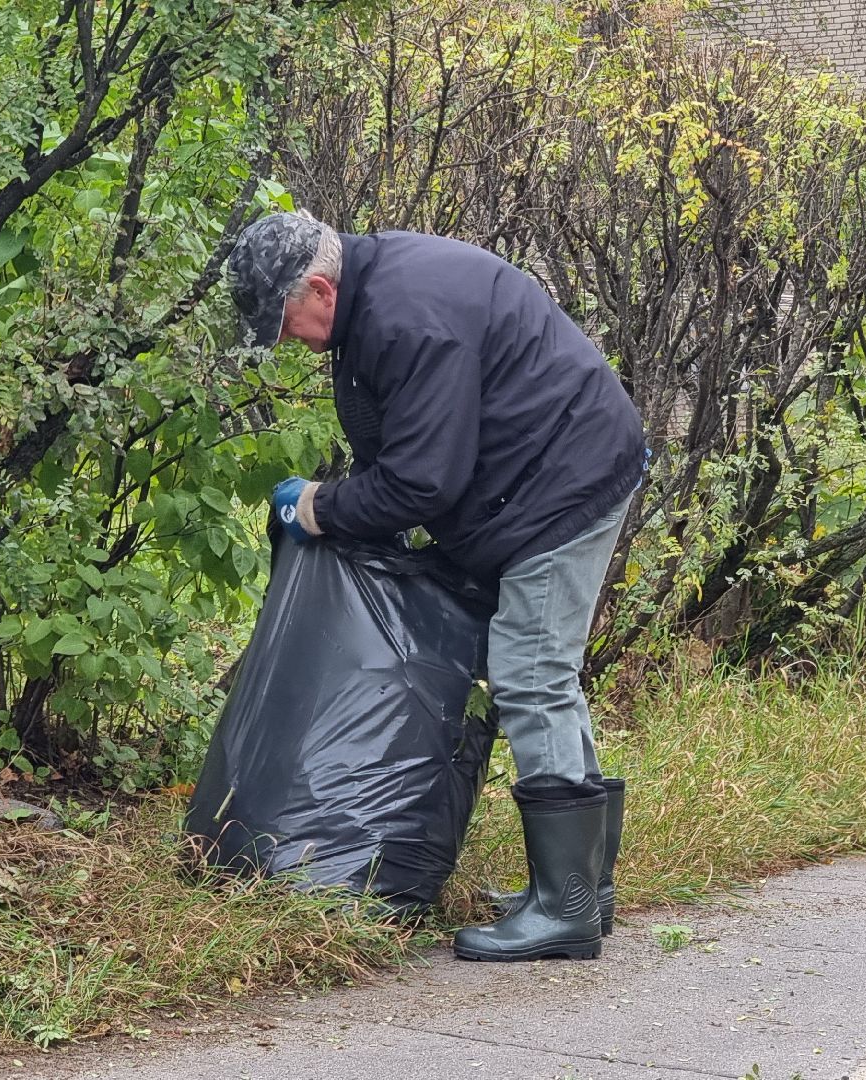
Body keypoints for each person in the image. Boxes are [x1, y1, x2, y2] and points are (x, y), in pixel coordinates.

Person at [227, 210, 646, 959]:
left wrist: (318, 508)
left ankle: (568, 909)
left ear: (319, 288)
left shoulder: (406, 316)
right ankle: (585, 887)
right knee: (544, 671)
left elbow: (422, 482)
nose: (285, 341)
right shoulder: (378, 299)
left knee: (531, 671)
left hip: (566, 482)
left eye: (284, 322)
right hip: (547, 471)